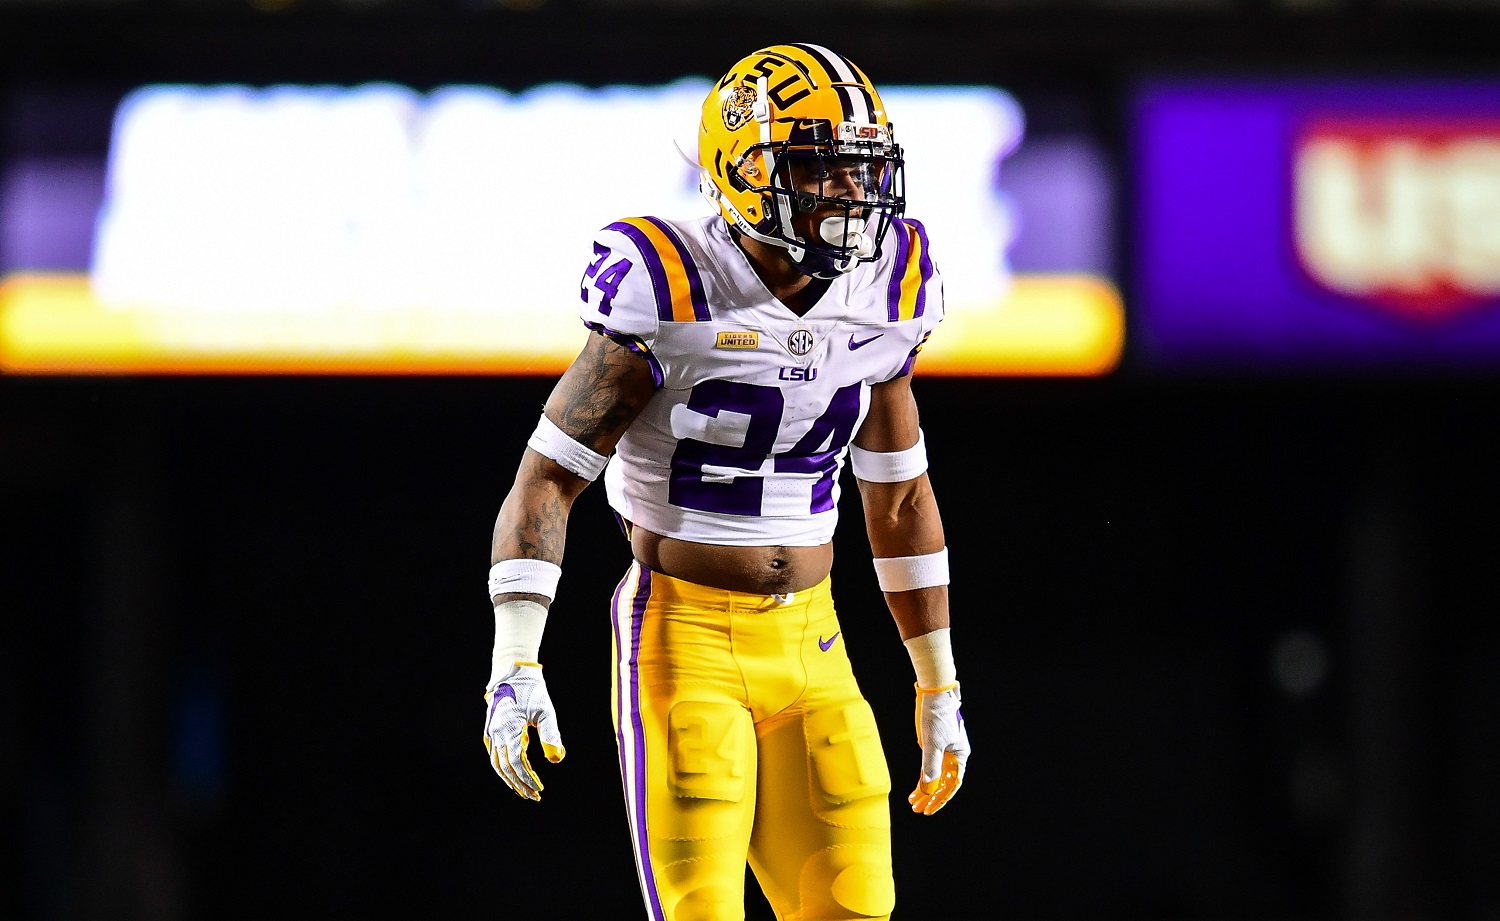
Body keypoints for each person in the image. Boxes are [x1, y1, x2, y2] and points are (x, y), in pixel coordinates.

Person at [481, 43, 971, 921]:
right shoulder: (671, 284)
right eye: (820, 169)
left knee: (857, 904)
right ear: (740, 173)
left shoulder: (890, 284)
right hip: (684, 636)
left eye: (860, 171)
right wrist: (514, 657)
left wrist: (938, 682)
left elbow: (898, 494)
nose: (850, 197)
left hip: (815, 641)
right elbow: (549, 479)